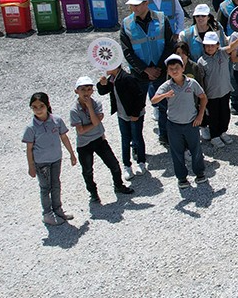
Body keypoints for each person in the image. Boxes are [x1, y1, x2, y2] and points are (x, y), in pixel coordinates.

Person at [120, 0, 176, 145]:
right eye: (132, 5)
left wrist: (158, 67)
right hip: (139, 74)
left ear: (146, 4)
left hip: (161, 70)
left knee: (164, 105)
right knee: (137, 109)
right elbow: (127, 51)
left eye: (137, 5)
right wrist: (145, 69)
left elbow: (170, 44)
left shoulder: (161, 18)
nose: (134, 8)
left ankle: (165, 135)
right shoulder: (126, 24)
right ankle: (136, 143)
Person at [68, 75, 133, 204]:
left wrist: (90, 109)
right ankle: (93, 193)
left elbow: (92, 123)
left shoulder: (95, 103)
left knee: (114, 164)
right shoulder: (74, 110)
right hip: (84, 144)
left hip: (99, 140)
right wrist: (95, 122)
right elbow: (81, 130)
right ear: (76, 91)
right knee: (87, 170)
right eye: (83, 89)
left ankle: (118, 185)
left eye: (89, 89)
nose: (86, 92)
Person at [151, 54, 208, 190]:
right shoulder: (166, 86)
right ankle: (182, 178)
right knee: (176, 152)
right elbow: (154, 100)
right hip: (174, 125)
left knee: (196, 149)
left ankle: (199, 173)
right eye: (171, 69)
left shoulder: (192, 83)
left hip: (191, 123)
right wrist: (165, 95)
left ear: (183, 68)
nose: (174, 71)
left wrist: (200, 115)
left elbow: (203, 97)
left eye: (177, 67)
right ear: (168, 71)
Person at [23, 92, 77, 225]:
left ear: (47, 105)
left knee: (56, 185)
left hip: (56, 159)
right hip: (41, 163)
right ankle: (47, 213)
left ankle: (58, 210)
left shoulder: (56, 121)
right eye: (34, 107)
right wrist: (31, 166)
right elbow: (29, 149)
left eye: (41, 106)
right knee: (45, 187)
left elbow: (64, 137)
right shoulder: (31, 128)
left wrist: (71, 153)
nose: (38, 109)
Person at [97, 65, 147, 178]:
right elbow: (103, 91)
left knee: (137, 138)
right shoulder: (111, 79)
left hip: (134, 115)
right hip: (122, 115)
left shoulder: (127, 78)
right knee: (125, 139)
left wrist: (135, 114)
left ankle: (141, 162)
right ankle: (127, 166)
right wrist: (101, 84)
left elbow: (139, 96)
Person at [195, 31, 238, 148]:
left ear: (218, 45)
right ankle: (214, 136)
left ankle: (222, 132)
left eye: (212, 45)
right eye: (207, 45)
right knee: (213, 116)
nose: (210, 48)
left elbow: (232, 46)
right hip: (211, 94)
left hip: (225, 91)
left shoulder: (223, 53)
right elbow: (201, 80)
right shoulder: (201, 61)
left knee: (225, 114)